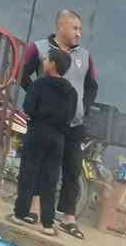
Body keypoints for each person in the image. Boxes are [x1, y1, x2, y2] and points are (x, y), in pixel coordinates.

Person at [20, 9, 98, 238]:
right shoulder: (38, 49)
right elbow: (21, 74)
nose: (79, 34)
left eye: (80, 29)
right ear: (61, 26)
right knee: (42, 166)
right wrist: (38, 98)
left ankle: (68, 217)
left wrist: (83, 107)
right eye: (75, 28)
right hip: (47, 124)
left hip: (74, 124)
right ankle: (34, 209)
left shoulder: (85, 56)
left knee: (72, 170)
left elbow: (92, 85)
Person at [11, 48, 78, 235]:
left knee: (28, 173)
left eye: (47, 59)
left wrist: (40, 114)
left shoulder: (39, 85)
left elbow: (28, 107)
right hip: (57, 139)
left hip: (37, 133)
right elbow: (70, 117)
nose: (44, 61)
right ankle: (47, 224)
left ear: (53, 64)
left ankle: (20, 214)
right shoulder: (71, 92)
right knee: (50, 179)